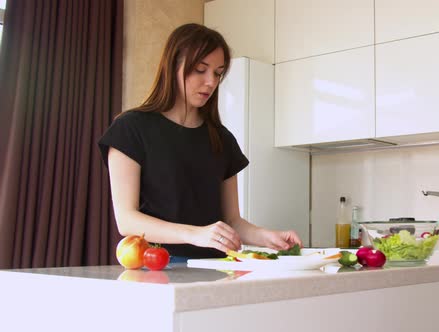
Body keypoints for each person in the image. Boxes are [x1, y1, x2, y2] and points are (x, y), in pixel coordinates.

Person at [98, 23, 302, 261]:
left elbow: (232, 221)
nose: (211, 82)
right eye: (200, 69)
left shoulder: (222, 139)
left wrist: (268, 237)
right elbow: (127, 220)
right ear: (173, 65)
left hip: (216, 267)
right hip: (155, 267)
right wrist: (195, 234)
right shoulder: (130, 129)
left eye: (217, 73)